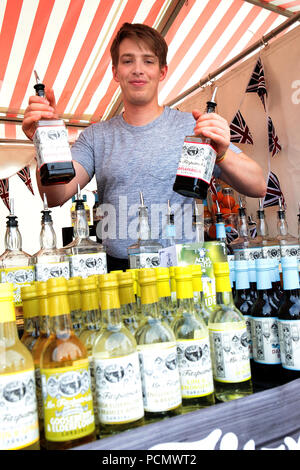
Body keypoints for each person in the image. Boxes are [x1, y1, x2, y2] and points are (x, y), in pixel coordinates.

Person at [22, 23, 266, 271]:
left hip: (184, 267)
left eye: (148, 61)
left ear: (162, 71)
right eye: (128, 61)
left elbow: (258, 185)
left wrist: (222, 154)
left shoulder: (194, 128)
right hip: (120, 272)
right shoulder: (96, 136)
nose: (138, 70)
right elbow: (55, 195)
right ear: (115, 72)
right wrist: (42, 143)